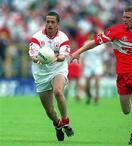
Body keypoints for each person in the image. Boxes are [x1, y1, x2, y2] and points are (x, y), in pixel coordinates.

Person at [70, 6, 132, 145]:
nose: (124, 20)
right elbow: (94, 42)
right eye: (123, 17)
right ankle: (129, 98)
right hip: (122, 75)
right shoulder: (115, 31)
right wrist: (78, 52)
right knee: (126, 110)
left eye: (127, 18)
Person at [28, 11, 74, 141]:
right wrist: (38, 59)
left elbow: (62, 56)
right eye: (47, 21)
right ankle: (57, 124)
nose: (49, 24)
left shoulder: (63, 38)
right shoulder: (36, 37)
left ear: (58, 24)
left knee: (58, 92)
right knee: (49, 111)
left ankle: (66, 122)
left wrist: (51, 59)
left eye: (52, 22)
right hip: (41, 73)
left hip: (58, 69)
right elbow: (33, 56)